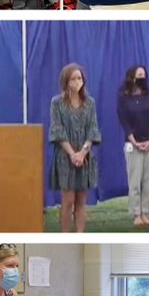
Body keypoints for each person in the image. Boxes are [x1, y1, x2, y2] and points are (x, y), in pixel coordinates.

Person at [49, 63, 101, 232]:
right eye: (73, 79)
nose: (77, 82)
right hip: (65, 156)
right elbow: (57, 130)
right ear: (66, 81)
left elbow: (93, 130)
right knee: (68, 200)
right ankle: (65, 236)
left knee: (81, 200)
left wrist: (83, 152)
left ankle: (80, 235)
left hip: (84, 157)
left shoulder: (90, 103)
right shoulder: (57, 103)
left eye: (79, 78)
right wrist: (72, 154)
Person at [117, 65, 149, 227]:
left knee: (148, 180)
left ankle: (145, 213)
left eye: (144, 75)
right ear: (132, 78)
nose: (143, 78)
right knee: (134, 180)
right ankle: (136, 213)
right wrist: (134, 141)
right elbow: (124, 121)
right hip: (133, 144)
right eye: (139, 75)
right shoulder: (123, 97)